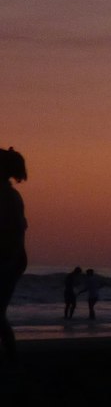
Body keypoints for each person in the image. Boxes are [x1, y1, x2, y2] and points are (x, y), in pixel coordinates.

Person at [0, 147, 28, 363]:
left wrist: (9, 261)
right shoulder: (9, 196)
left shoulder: (9, 197)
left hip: (8, 260)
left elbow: (16, 232)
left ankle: (12, 357)